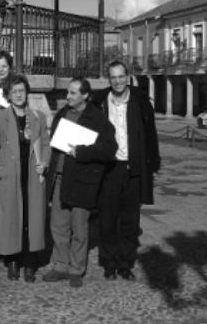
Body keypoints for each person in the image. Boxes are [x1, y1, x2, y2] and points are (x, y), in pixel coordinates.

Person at [43, 77, 117, 288]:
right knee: (59, 225)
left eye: (73, 93)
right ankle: (60, 266)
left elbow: (110, 147)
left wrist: (83, 152)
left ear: (85, 95)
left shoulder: (97, 118)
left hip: (83, 179)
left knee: (79, 228)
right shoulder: (61, 114)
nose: (68, 96)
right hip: (59, 177)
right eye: (68, 92)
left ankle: (76, 269)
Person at [91, 61, 161, 280]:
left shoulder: (140, 102)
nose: (117, 81)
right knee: (108, 218)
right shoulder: (100, 102)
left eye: (121, 76)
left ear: (128, 77)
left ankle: (125, 263)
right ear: (109, 79)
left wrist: (153, 163)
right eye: (113, 77)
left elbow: (150, 133)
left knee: (131, 219)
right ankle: (109, 261)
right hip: (110, 168)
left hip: (134, 167)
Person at [0, 75, 50, 283]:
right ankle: (12, 261)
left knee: (32, 220)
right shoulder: (0, 117)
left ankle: (29, 263)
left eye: (21, 90)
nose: (18, 95)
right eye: (14, 92)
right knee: (11, 220)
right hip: (10, 178)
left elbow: (45, 145)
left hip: (32, 177)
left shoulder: (38, 117)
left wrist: (44, 163)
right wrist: (1, 173)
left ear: (27, 92)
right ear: (8, 95)